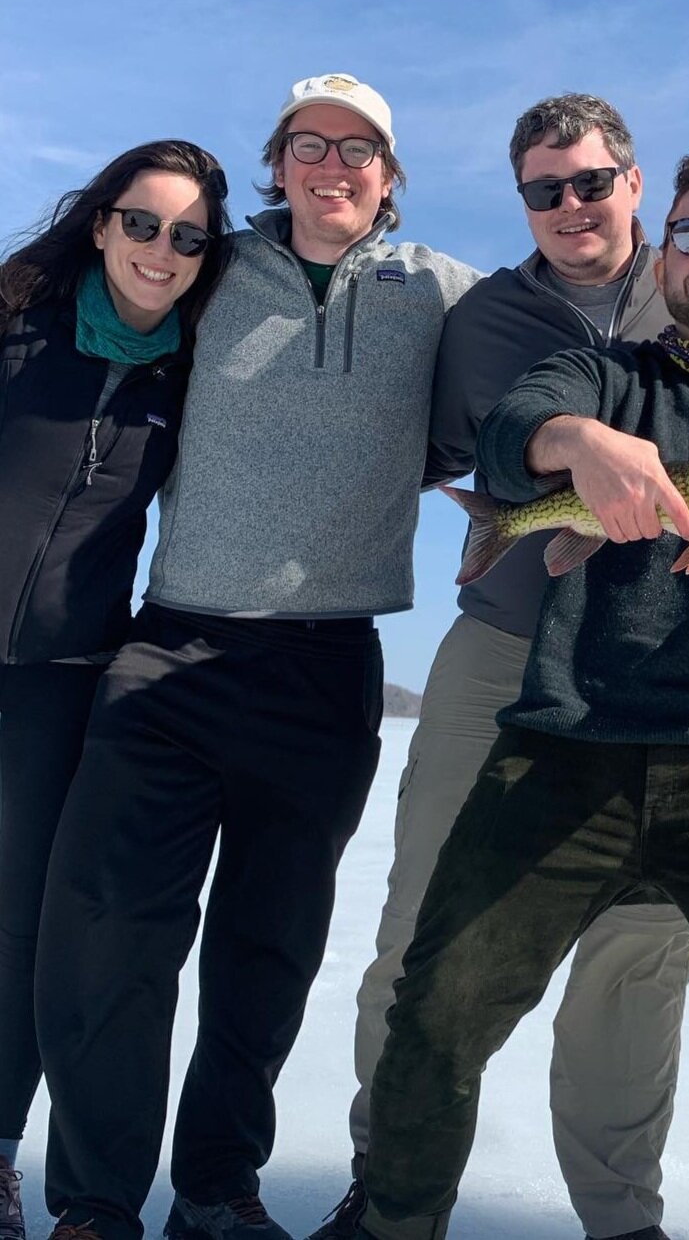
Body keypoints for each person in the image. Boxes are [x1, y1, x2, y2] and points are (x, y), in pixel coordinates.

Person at [356, 146, 689, 1240]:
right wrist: (580, 442)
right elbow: (513, 441)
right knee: (437, 1012)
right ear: (666, 254)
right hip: (567, 738)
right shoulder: (604, 374)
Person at [33, 74, 479, 1240]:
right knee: (111, 935)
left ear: (389, 175)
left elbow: (547, 344)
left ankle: (217, 1188)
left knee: (266, 952)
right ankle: (93, 1201)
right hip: (172, 646)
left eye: (361, 149)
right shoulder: (211, 266)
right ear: (277, 163)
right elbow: (77, 322)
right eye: (309, 144)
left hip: (327, 669)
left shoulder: (438, 292)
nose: (334, 165)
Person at [0, 141, 230, 1240]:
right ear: (101, 223)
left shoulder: (188, 374)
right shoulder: (14, 328)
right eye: (142, 223)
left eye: (188, 237)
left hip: (62, 678)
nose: (161, 250)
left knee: (18, 927)